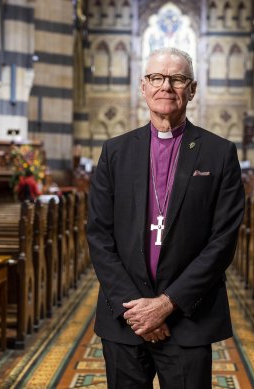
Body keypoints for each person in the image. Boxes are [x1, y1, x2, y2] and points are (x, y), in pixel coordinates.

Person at [86, 47, 245, 388]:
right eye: (156, 77)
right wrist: (137, 311)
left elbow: (223, 241)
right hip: (125, 319)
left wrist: (167, 304)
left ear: (192, 89)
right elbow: (99, 235)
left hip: (189, 318)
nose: (166, 86)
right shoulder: (115, 152)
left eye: (177, 78)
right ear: (143, 87)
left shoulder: (220, 153)